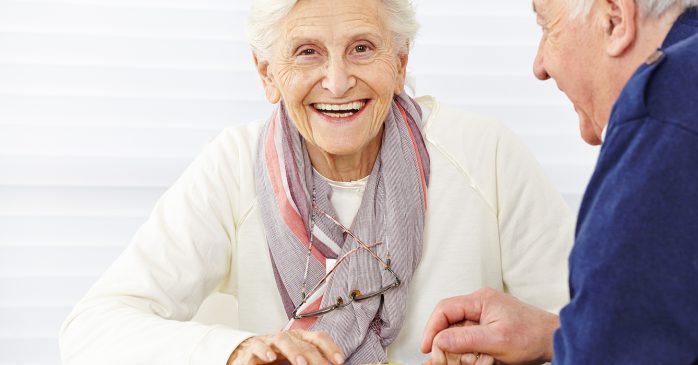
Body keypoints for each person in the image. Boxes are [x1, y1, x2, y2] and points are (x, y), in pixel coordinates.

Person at [58, 0, 576, 364]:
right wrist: (233, 351)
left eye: (362, 48)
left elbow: (587, 327)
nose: (336, 81)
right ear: (266, 73)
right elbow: (92, 331)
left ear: (400, 63)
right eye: (307, 51)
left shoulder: (485, 154)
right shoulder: (231, 165)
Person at [421, 0, 698, 363]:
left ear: (616, 19)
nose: (539, 65)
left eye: (546, 26)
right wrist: (556, 336)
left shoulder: (680, 97)